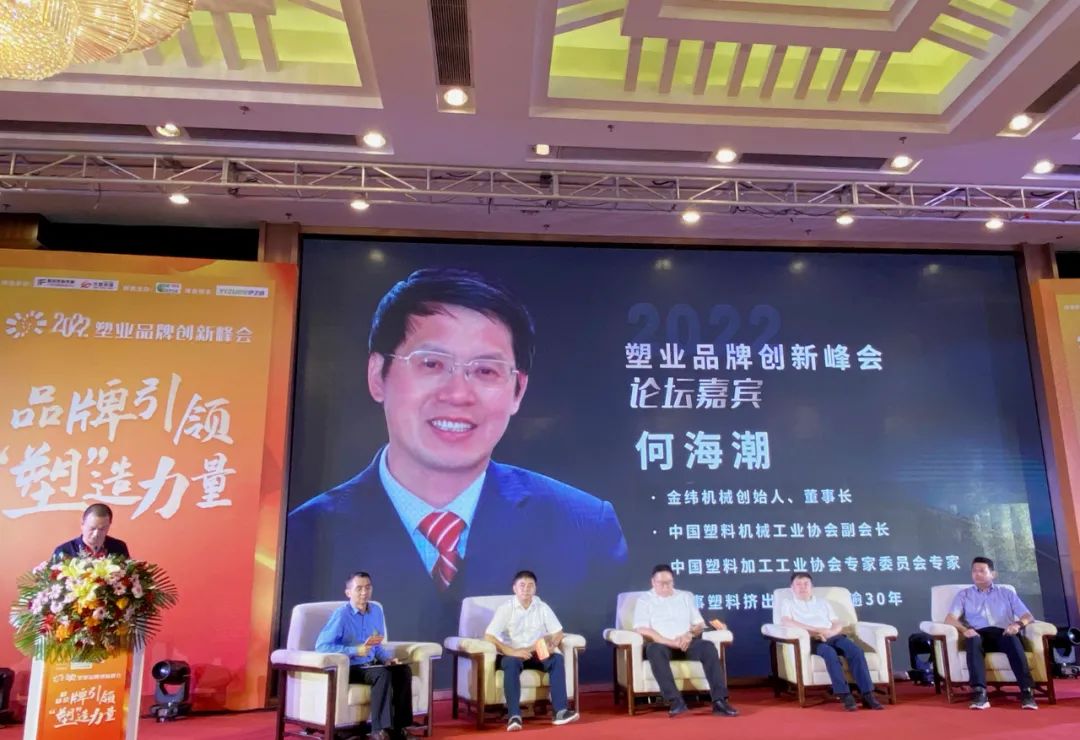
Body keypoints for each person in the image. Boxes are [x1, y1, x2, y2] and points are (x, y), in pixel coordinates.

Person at [285, 268, 628, 649]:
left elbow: (602, 664)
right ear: (378, 374)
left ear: (518, 390)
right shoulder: (301, 536)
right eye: (432, 363)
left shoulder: (585, 526)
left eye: (485, 370)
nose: (458, 394)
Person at [315, 571, 413, 739]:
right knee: (381, 674)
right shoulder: (342, 615)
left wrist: (387, 659)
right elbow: (322, 646)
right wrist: (354, 650)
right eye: (359, 588)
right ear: (348, 593)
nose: (364, 592)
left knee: (403, 671)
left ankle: (400, 729)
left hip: (371, 664)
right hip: (350, 667)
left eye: (368, 588)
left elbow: (376, 644)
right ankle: (379, 731)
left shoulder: (376, 611)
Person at [632, 564, 738, 717]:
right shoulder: (644, 600)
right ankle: (675, 701)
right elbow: (642, 628)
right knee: (653, 650)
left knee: (708, 647)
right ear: (653, 582)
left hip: (686, 643)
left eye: (669, 582)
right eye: (661, 583)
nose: (665, 586)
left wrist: (689, 635)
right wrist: (669, 641)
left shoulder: (685, 596)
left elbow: (699, 624)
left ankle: (719, 701)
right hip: (662, 644)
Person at [484, 570, 580, 731]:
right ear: (514, 588)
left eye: (530, 585)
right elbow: (489, 636)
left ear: (535, 589)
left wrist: (552, 644)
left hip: (536, 652)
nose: (526, 589)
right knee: (511, 663)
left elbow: (558, 632)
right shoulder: (506, 609)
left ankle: (560, 712)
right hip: (512, 654)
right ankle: (514, 716)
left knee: (557, 659)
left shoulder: (542, 607)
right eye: (522, 585)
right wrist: (511, 651)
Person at [779, 572, 884, 711]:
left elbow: (836, 622)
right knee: (829, 653)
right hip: (812, 639)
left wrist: (831, 632)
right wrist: (816, 631)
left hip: (832, 635)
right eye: (798, 584)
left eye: (806, 584)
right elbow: (786, 621)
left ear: (812, 586)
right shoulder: (788, 603)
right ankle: (845, 695)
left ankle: (867, 694)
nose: (802, 587)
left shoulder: (822, 602)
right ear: (792, 587)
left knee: (856, 651)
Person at [944, 556, 1038, 711]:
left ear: (993, 574)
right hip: (979, 634)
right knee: (973, 640)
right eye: (974, 571)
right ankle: (979, 693)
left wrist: (1017, 624)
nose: (977, 574)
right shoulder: (964, 595)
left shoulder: (1006, 593)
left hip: (1003, 633)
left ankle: (1027, 691)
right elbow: (949, 618)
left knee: (1013, 639)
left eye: (982, 571)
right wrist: (964, 630)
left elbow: (1028, 616)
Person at [53, 503, 130, 559]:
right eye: (92, 528)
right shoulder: (64, 551)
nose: (96, 534)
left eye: (102, 529)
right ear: (82, 524)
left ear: (109, 526)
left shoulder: (119, 547)